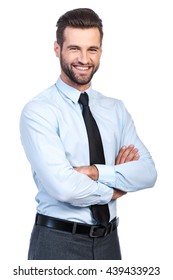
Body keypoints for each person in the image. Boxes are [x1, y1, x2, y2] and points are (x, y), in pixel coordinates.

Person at [20, 8, 157, 260]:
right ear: (57, 49)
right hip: (57, 243)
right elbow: (65, 188)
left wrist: (95, 171)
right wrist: (115, 189)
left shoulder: (115, 109)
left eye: (91, 49)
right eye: (74, 48)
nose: (84, 59)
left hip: (109, 242)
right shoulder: (39, 111)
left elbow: (148, 173)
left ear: (100, 52)